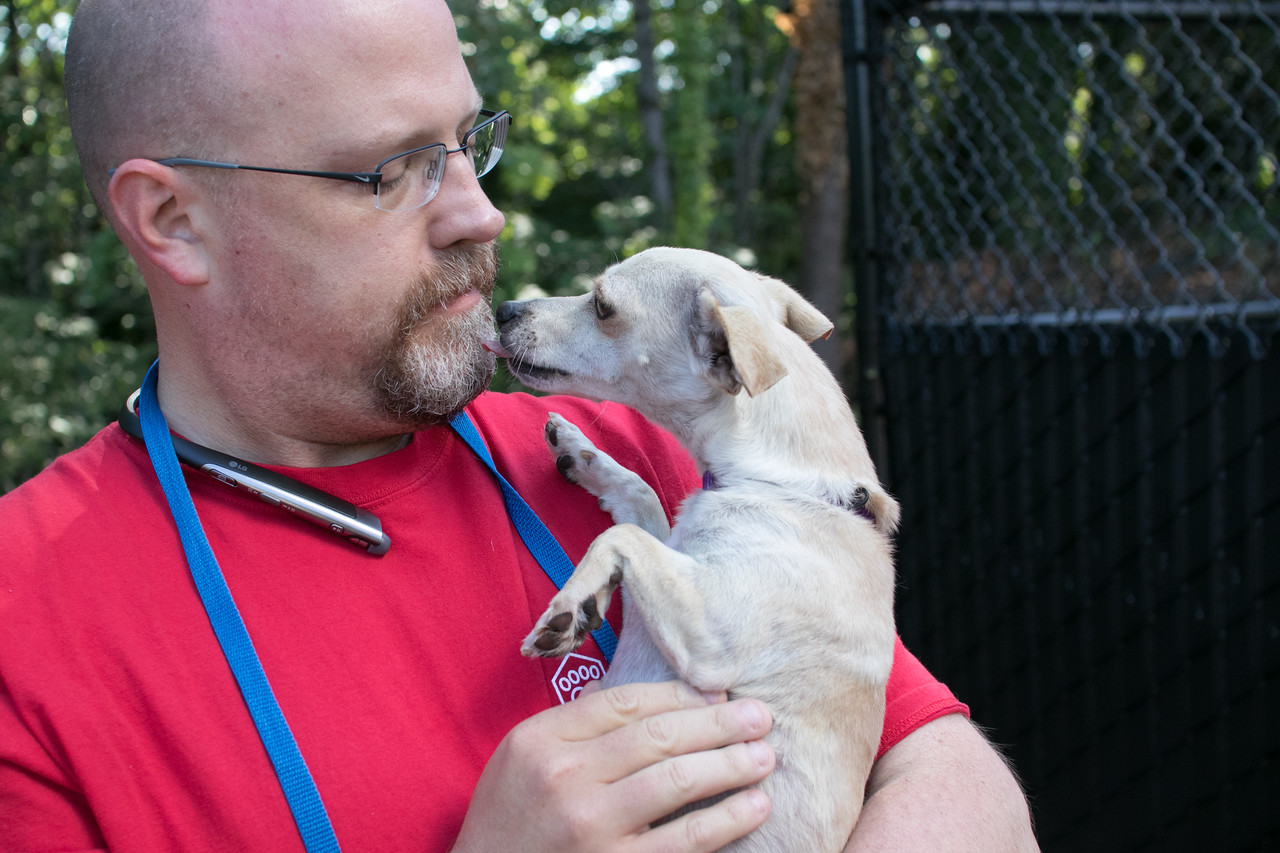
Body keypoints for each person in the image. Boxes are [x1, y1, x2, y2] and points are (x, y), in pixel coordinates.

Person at [0, 0, 1038, 850]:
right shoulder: (27, 630)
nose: (478, 214)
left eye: (465, 143)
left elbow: (941, 768)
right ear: (174, 221)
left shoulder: (627, 454)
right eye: (389, 170)